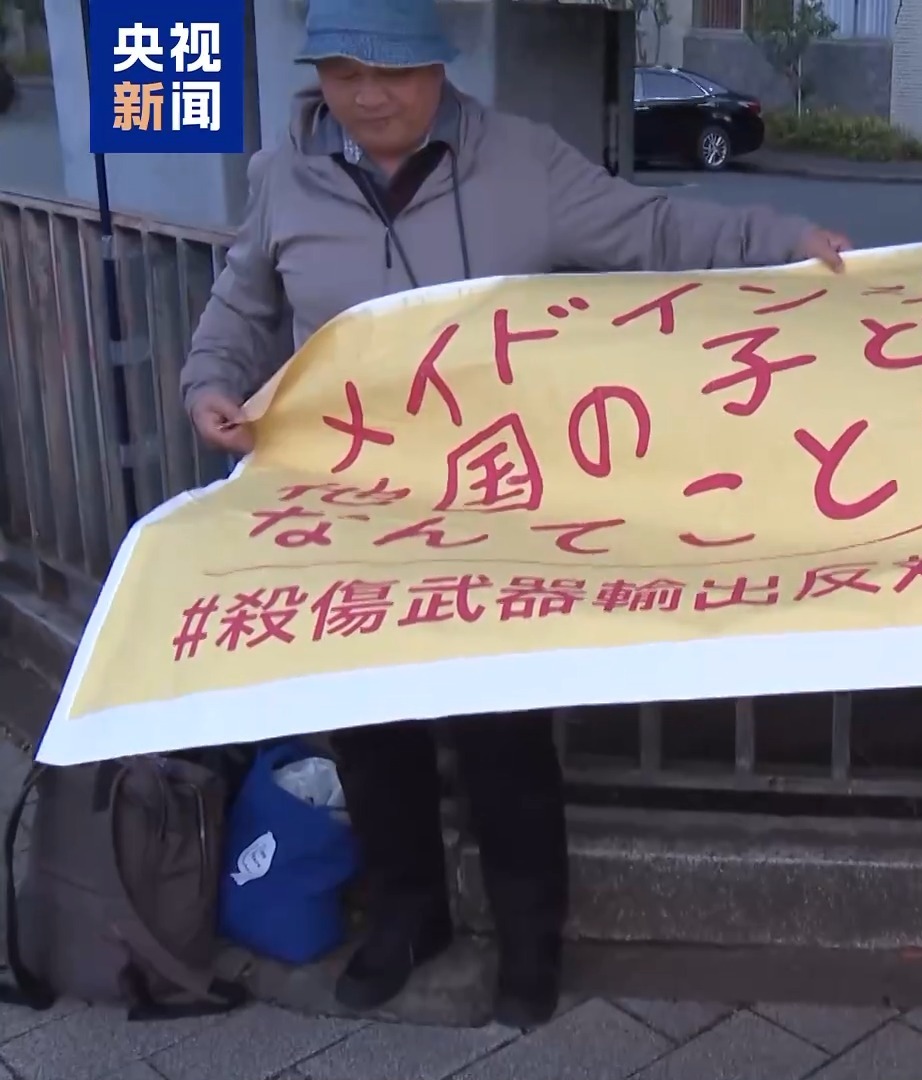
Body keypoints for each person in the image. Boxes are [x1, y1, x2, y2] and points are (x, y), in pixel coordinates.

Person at [178, 0, 849, 1028]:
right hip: (350, 509)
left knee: (503, 737)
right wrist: (210, 382)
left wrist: (782, 239)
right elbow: (243, 303)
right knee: (372, 730)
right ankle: (407, 917)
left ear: (438, 67)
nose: (368, 95)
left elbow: (652, 229)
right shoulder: (285, 176)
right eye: (346, 71)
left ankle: (532, 941)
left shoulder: (523, 164)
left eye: (393, 72)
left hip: (493, 508)